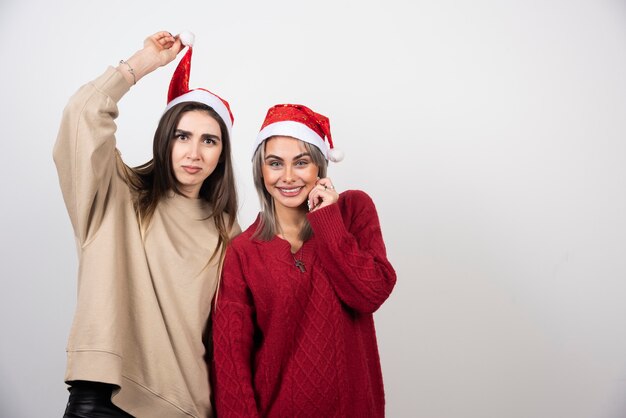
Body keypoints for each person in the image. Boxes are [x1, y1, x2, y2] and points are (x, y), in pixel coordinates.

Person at [53, 31, 239, 417]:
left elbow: (234, 336)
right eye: (182, 136)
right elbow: (82, 116)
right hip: (105, 395)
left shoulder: (227, 233)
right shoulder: (116, 194)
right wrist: (142, 63)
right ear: (164, 141)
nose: (194, 152)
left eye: (209, 141)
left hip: (187, 406)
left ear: (221, 154)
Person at [211, 104, 397, 417]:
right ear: (261, 170)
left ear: (319, 168)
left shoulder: (352, 211)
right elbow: (232, 362)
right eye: (275, 163)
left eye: (301, 162)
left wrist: (327, 219)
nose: (287, 177)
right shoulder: (243, 251)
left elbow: (370, 294)